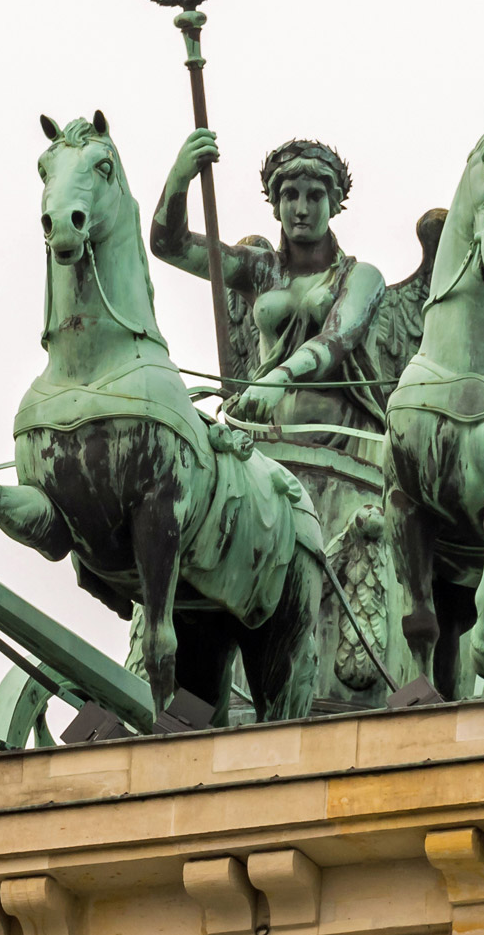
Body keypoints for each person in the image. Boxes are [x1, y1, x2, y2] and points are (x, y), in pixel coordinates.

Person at [151, 129, 418, 701]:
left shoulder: (360, 277)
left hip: (343, 445)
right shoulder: (258, 272)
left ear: (334, 201)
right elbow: (168, 245)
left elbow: (339, 337)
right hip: (264, 448)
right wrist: (180, 176)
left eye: (314, 195)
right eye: (290, 194)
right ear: (275, 202)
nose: (301, 207)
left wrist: (275, 380)